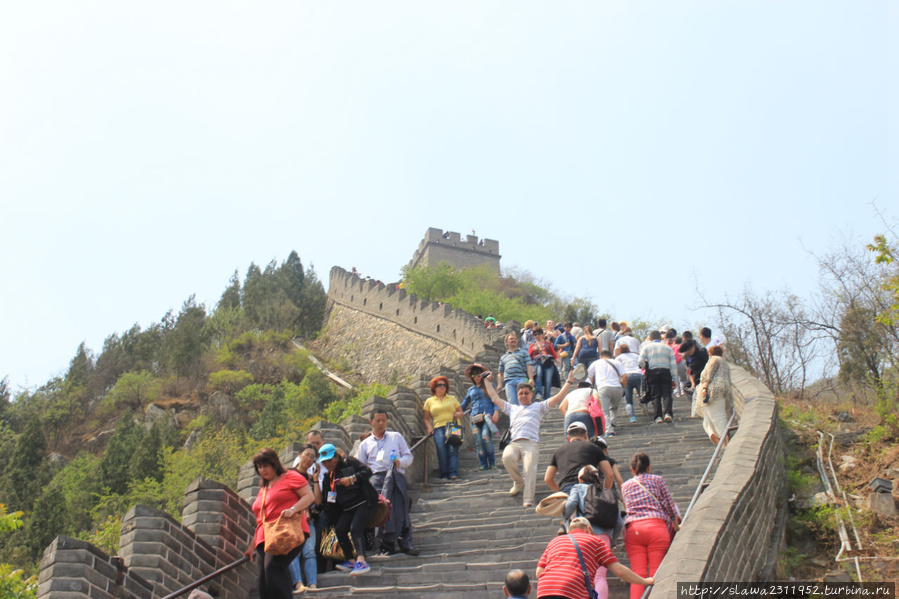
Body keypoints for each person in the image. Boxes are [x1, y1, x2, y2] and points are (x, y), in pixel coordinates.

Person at [484, 372, 576, 508]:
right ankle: (518, 481)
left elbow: (558, 397)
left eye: (526, 393)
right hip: (514, 443)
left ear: (531, 395)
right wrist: (486, 381)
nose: (523, 395)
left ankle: (528, 499)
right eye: (521, 393)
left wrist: (569, 382)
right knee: (507, 457)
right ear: (517, 395)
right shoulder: (512, 408)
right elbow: (494, 398)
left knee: (529, 470)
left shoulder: (538, 407)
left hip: (531, 444)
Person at [245, 449, 315, 599]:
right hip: (265, 538)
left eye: (265, 466)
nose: (262, 470)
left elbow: (309, 496)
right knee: (263, 581)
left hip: (287, 531)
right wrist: (252, 546)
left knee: (273, 569)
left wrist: (293, 509)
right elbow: (261, 521)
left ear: (274, 464)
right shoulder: (263, 489)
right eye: (259, 467)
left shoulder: (290, 477)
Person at [535, 517, 654, 599]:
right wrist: (644, 581)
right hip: (572, 589)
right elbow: (619, 570)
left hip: (544, 589)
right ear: (588, 529)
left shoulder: (555, 541)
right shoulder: (596, 540)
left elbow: (539, 572)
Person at [355, 409, 417, 554]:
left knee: (401, 508)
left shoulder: (396, 437)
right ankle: (386, 546)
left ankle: (406, 543)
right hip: (377, 478)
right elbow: (360, 466)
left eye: (384, 420)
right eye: (378, 420)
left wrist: (399, 462)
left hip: (396, 475)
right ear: (371, 422)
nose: (381, 423)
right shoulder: (366, 444)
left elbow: (409, 457)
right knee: (381, 512)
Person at [620, 453, 680, 599]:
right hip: (656, 528)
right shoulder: (658, 480)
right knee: (656, 572)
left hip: (633, 530)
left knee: (637, 575)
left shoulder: (625, 486)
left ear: (632, 469)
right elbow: (670, 506)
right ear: (649, 467)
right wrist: (675, 525)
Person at [318, 443, 378, 576]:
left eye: (329, 460)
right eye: (324, 463)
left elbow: (367, 472)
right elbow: (329, 500)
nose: (328, 464)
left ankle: (361, 560)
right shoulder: (329, 478)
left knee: (355, 528)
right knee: (340, 529)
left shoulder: (349, 462)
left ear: (336, 456)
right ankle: (350, 559)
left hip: (365, 502)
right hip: (347, 508)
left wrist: (352, 479)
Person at [543, 422, 613, 495]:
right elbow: (609, 474)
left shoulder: (558, 451)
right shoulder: (594, 448)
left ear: (568, 438)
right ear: (586, 436)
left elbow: (548, 478)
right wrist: (604, 493)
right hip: (589, 489)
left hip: (567, 488)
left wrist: (560, 491)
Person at [287, 444, 321, 592]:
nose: (309, 459)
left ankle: (313, 584)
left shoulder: (310, 477)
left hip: (308, 520)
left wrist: (315, 480)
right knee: (293, 551)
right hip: (293, 518)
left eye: (312, 458)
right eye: (307, 455)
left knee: (309, 552)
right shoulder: (288, 474)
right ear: (299, 454)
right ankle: (298, 584)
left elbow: (317, 501)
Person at [422, 376, 464, 480]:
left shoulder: (452, 398)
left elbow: (461, 412)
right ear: (434, 388)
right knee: (441, 450)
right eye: (439, 385)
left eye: (444, 385)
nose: (442, 387)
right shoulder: (429, 401)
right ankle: (444, 474)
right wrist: (429, 428)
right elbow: (426, 418)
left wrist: (458, 414)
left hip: (453, 426)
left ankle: (453, 473)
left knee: (453, 450)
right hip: (438, 428)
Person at [461, 363, 500, 470]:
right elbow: (464, 404)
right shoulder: (471, 390)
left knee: (485, 437)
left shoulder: (489, 385)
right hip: (474, 418)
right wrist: (457, 412)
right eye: (474, 375)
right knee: (478, 441)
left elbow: (495, 400)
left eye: (479, 374)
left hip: (487, 417)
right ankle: (483, 464)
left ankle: (492, 462)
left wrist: (496, 412)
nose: (477, 377)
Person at [638, 331, 678, 424]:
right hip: (665, 371)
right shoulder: (668, 348)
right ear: (660, 338)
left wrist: (646, 367)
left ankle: (658, 417)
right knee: (667, 394)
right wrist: (675, 379)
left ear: (650, 339)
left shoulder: (646, 347)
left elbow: (640, 361)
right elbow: (673, 364)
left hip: (653, 371)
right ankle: (668, 414)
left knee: (655, 395)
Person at [696, 345, 733, 444]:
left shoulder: (714, 360)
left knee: (717, 417)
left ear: (710, 353)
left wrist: (704, 388)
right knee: (707, 420)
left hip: (713, 392)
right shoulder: (725, 364)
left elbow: (709, 374)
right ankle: (718, 438)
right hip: (724, 390)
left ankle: (724, 440)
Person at [587, 350, 625, 436]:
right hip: (617, 388)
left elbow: (589, 376)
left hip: (603, 388)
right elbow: (625, 376)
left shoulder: (596, 363)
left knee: (605, 411)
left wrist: (591, 388)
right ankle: (613, 423)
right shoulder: (617, 363)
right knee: (614, 407)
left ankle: (609, 430)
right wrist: (623, 387)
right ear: (611, 356)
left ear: (600, 356)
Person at [496, 333, 535, 406]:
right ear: (507, 342)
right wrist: (499, 384)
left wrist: (531, 378)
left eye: (515, 339)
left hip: (521, 379)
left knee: (523, 401)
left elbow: (529, 365)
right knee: (512, 404)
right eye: (511, 339)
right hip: (509, 381)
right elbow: (500, 373)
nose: (513, 340)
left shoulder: (524, 352)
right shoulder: (503, 357)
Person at [529, 326, 560, 401]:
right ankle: (538, 394)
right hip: (537, 362)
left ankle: (547, 397)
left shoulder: (548, 343)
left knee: (548, 380)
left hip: (548, 362)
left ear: (542, 334)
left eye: (539, 334)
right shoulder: (532, 345)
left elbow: (553, 354)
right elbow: (529, 356)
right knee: (538, 376)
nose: (537, 336)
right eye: (535, 334)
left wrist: (557, 360)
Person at [614, 345, 643, 423]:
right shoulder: (635, 355)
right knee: (642, 394)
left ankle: (632, 417)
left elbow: (616, 370)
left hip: (626, 376)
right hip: (638, 375)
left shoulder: (619, 358)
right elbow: (642, 364)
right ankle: (643, 403)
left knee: (628, 399)